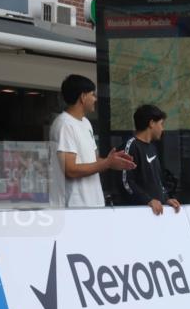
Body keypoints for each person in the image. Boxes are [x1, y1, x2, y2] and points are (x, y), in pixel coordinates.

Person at [49, 74, 134, 208]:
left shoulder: (86, 123)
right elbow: (70, 170)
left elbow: (93, 162)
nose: (95, 99)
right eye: (92, 94)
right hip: (74, 206)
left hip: (93, 203)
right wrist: (106, 163)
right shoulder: (64, 124)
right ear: (83, 97)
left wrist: (112, 162)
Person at [120, 104, 181, 215]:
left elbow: (157, 181)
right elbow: (126, 182)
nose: (163, 129)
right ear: (151, 123)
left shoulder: (152, 147)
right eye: (161, 124)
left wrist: (166, 198)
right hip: (139, 214)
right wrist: (147, 200)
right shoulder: (131, 146)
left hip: (156, 213)